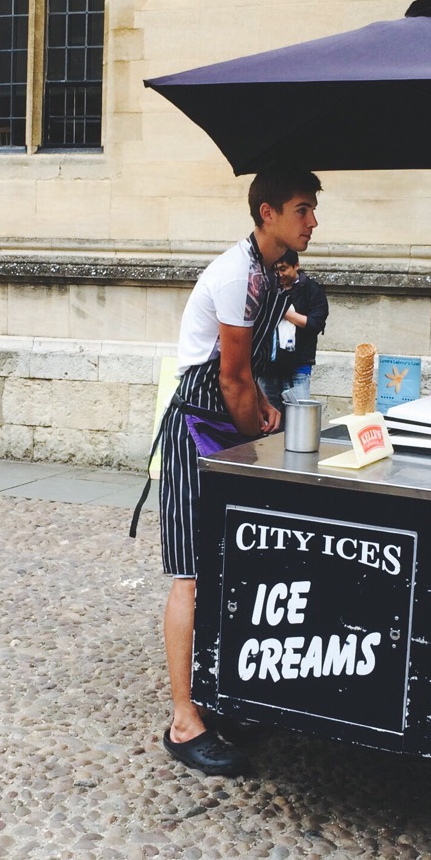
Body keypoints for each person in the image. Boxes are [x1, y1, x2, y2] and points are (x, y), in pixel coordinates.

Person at [159, 168, 321, 776]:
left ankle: (220, 693)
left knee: (234, 572)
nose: (312, 220)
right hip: (195, 435)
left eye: (312, 209)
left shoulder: (271, 275)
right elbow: (229, 376)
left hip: (227, 435)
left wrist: (264, 413)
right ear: (267, 213)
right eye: (302, 209)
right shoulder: (236, 275)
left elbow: (248, 377)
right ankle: (183, 719)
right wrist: (261, 426)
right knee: (192, 577)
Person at [259, 250, 329, 413]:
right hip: (267, 366)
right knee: (269, 417)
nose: (279, 274)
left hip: (298, 364)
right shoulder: (267, 287)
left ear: (296, 266)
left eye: (283, 269)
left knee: (298, 415)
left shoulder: (312, 290)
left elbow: (315, 324)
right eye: (275, 270)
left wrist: (282, 311)